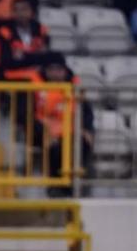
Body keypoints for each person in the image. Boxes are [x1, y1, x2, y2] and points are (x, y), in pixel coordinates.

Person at [32, 55, 94, 191]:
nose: (55, 74)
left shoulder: (75, 88)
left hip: (71, 131)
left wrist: (86, 129)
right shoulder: (34, 88)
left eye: (59, 70)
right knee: (56, 149)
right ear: (46, 71)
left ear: (65, 71)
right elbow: (28, 114)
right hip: (45, 132)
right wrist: (42, 131)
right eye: (52, 69)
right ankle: (55, 188)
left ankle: (76, 187)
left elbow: (86, 111)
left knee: (82, 144)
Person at [0, 0, 50, 81]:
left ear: (32, 12)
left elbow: (46, 58)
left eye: (24, 9)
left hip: (36, 77)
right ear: (12, 13)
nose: (20, 13)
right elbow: (7, 60)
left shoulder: (41, 30)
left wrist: (23, 56)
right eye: (16, 10)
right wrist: (34, 56)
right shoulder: (4, 32)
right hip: (10, 77)